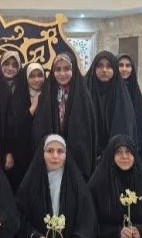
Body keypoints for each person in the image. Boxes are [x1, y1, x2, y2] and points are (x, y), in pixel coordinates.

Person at [32, 52, 97, 180]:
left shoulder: (83, 95)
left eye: (67, 69)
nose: (62, 73)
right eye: (58, 69)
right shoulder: (46, 93)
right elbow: (40, 127)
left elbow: (88, 132)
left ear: (74, 70)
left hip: (77, 157)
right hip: (51, 156)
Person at [86, 51, 137, 161]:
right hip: (88, 157)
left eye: (109, 66)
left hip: (115, 158)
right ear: (94, 68)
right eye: (100, 66)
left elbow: (125, 128)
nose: (104, 70)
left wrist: (110, 153)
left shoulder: (122, 95)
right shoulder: (84, 92)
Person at [8, 63, 46, 190]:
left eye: (40, 75)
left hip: (45, 153)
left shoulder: (50, 95)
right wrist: (32, 108)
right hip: (22, 156)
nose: (36, 80)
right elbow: (15, 128)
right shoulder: (18, 97)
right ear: (26, 78)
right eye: (32, 76)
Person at [117, 54, 142, 161]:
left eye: (128, 65)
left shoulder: (135, 91)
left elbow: (140, 122)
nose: (124, 69)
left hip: (133, 145)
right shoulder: (112, 90)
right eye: (120, 65)